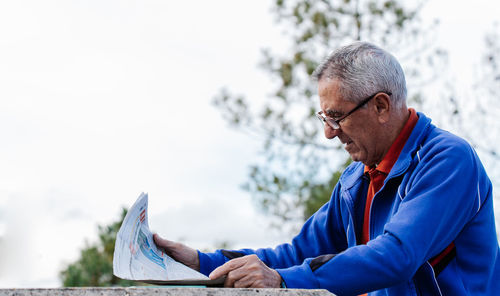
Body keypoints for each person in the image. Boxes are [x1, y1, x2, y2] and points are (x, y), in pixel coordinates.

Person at [154, 41, 500, 295]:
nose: (328, 133)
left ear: (381, 106)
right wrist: (200, 262)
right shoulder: (355, 180)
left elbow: (398, 255)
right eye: (324, 117)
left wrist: (284, 280)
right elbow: (298, 253)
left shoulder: (448, 160)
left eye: (337, 117)